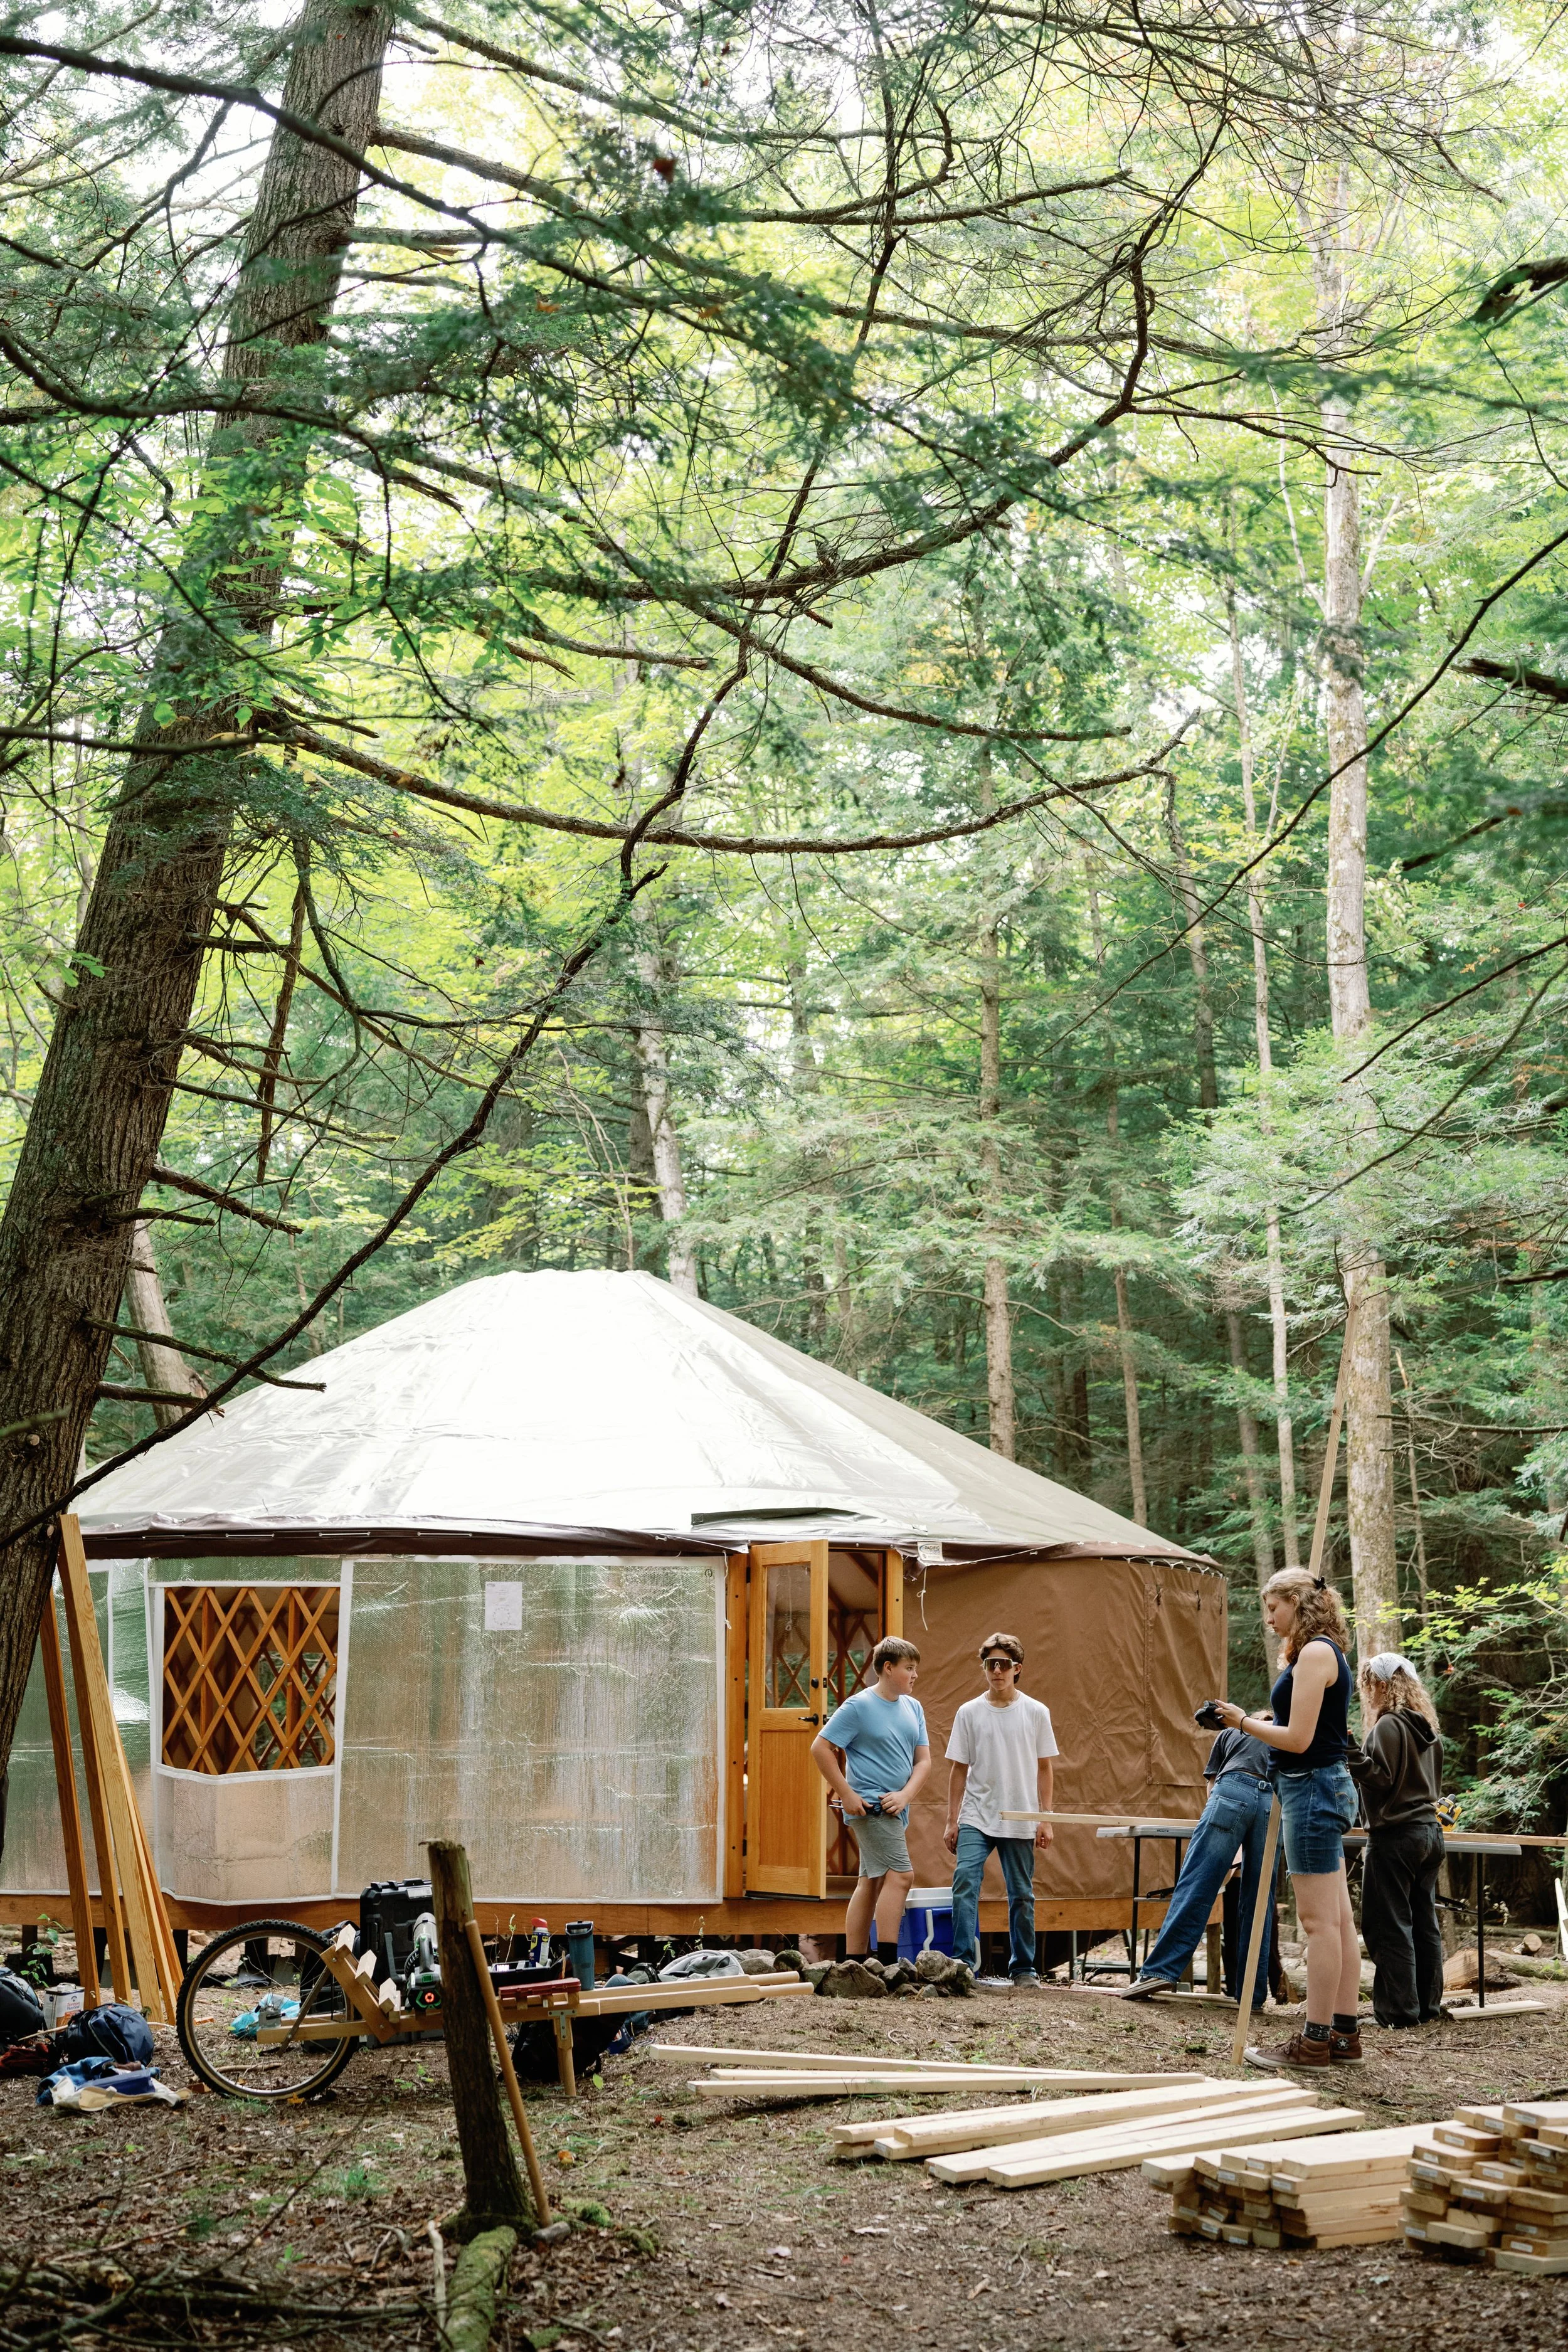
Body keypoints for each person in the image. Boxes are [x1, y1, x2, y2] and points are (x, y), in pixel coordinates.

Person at [1213, 1567, 1362, 2069]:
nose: (1269, 1618)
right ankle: (1344, 2035)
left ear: (1297, 1603)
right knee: (1338, 1922)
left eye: (1273, 1608)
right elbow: (1304, 1726)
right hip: (1320, 1784)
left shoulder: (1317, 1652)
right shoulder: (1318, 1654)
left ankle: (1314, 2041)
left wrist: (1243, 1723)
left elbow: (1299, 1740)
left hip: (1313, 1788)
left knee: (1319, 1924)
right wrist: (1254, 1718)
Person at [1115, 1718, 1281, 2000]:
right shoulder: (1281, 1737)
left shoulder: (1230, 1734)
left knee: (1198, 1883)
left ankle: (1159, 1972)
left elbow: (1214, 1788)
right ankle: (1251, 1995)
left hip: (1234, 1788)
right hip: (1274, 1800)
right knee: (1259, 1899)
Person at [942, 1633, 1057, 1988]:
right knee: (965, 1883)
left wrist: (1045, 1818)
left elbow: (1045, 1767)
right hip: (977, 1813)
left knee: (1021, 1892)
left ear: (1017, 1668)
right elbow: (958, 1768)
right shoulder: (969, 1712)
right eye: (990, 1664)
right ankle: (963, 1965)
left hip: (1020, 1814)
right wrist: (952, 1820)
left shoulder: (1036, 1712)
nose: (996, 1671)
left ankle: (1023, 1968)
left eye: (1003, 1664)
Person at [811, 1637, 930, 1961]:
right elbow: (820, 1748)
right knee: (902, 1876)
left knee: (872, 1879)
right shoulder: (858, 1706)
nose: (915, 1675)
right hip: (871, 1805)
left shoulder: (913, 1707)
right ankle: (888, 1960)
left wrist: (906, 1795)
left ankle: (855, 1960)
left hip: (895, 1807)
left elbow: (924, 1761)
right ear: (888, 1668)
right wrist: (845, 1793)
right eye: (909, 1668)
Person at [1349, 1652, 1445, 2029]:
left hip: (1396, 1838)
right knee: (1423, 1922)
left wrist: (1348, 1752)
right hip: (1430, 1835)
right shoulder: (1429, 1732)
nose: (1367, 1692)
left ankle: (1398, 2013)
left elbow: (1380, 1778)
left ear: (1383, 1684)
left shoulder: (1389, 1726)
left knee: (1388, 1925)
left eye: (1369, 1684)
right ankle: (1427, 2007)